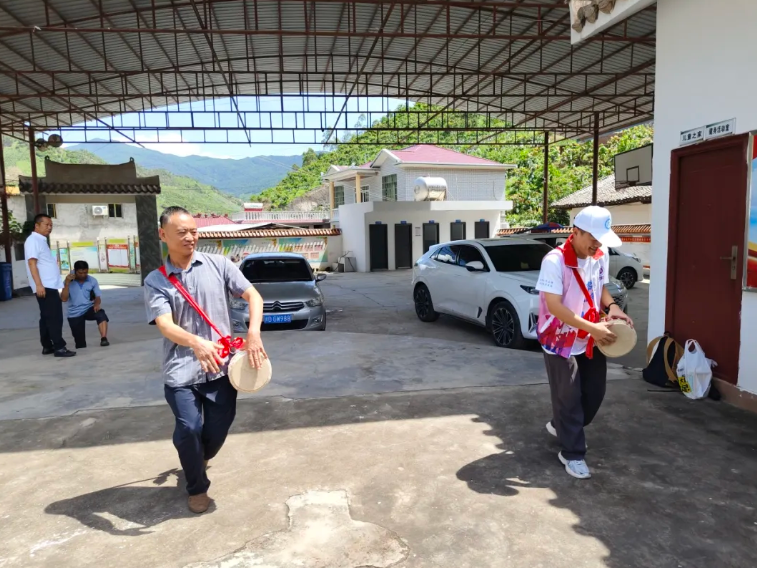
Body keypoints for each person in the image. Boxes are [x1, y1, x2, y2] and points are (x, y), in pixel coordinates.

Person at [144, 206, 267, 515]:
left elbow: (253, 296)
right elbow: (165, 325)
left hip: (222, 370)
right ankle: (197, 487)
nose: (190, 237)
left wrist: (253, 333)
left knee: (216, 432)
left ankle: (196, 456)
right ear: (163, 235)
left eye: (194, 231)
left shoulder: (219, 264)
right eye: (182, 232)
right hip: (181, 371)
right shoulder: (156, 280)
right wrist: (196, 343)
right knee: (189, 428)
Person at [536, 206, 633, 480]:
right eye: (593, 237)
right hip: (559, 338)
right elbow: (554, 306)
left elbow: (600, 287)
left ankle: (561, 425)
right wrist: (593, 328)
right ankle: (572, 453)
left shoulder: (599, 255)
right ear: (576, 232)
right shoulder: (554, 261)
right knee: (568, 398)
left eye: (601, 239)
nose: (597, 244)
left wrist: (613, 307)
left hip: (589, 334)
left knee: (594, 393)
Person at [25, 213, 76, 358]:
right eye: (46, 225)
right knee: (54, 317)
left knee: (46, 317)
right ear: (37, 225)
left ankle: (47, 346)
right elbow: (32, 263)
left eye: (51, 225)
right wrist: (39, 285)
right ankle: (59, 347)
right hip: (44, 286)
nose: (49, 227)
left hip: (48, 285)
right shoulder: (33, 240)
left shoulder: (40, 240)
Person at [61, 260, 110, 348]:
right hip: (74, 313)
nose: (83, 275)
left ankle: (104, 338)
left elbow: (98, 296)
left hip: (88, 308)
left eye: (85, 272)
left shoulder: (92, 280)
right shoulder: (68, 281)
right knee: (80, 344)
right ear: (75, 271)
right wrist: (67, 284)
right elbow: (64, 299)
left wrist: (96, 304)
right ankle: (81, 343)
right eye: (80, 273)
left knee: (101, 314)